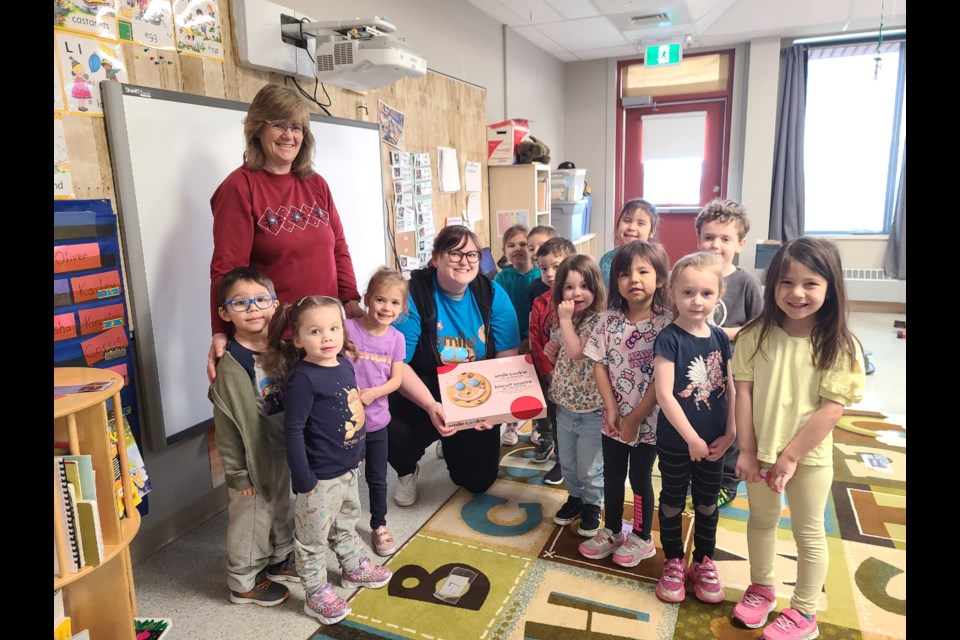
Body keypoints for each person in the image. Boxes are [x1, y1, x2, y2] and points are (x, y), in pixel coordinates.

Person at [730, 237, 865, 640]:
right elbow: (745, 392)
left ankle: (804, 611)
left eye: (811, 283)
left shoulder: (839, 344)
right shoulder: (755, 335)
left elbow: (831, 408)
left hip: (808, 458)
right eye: (786, 282)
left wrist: (790, 457)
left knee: (809, 533)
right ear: (772, 286)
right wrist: (749, 451)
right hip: (760, 453)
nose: (797, 293)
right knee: (762, 521)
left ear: (830, 287)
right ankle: (762, 587)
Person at [207, 83, 363, 383]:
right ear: (257, 129)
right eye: (278, 125)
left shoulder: (316, 183)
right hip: (276, 342)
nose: (289, 135)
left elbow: (338, 247)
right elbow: (227, 271)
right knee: (285, 428)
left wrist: (350, 300)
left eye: (297, 127)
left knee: (329, 425)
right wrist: (221, 331)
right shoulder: (240, 187)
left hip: (325, 334)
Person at [262, 295, 392, 626]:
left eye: (334, 328)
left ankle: (352, 566)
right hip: (318, 476)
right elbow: (292, 431)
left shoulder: (345, 365)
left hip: (347, 468)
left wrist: (358, 453)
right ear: (298, 337)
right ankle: (316, 591)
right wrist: (302, 476)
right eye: (316, 331)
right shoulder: (303, 378)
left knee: (347, 519)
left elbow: (352, 409)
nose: (327, 337)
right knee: (312, 537)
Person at [388, 226, 521, 507]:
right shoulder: (414, 294)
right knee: (391, 423)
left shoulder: (493, 294)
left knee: (478, 482)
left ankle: (449, 443)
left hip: (475, 388)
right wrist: (430, 406)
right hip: (424, 384)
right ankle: (406, 469)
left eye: (472, 254)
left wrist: (493, 410)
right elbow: (398, 364)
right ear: (436, 258)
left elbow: (507, 360)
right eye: (455, 253)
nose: (465, 261)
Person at [208, 266, 296, 607]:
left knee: (278, 506)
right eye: (241, 303)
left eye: (261, 300)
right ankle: (244, 579)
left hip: (280, 450)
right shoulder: (232, 364)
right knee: (252, 515)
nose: (253, 309)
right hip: (251, 459)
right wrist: (239, 472)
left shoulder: (283, 351)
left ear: (274, 305)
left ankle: (278, 558)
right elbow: (228, 427)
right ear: (224, 313)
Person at [579, 241, 672, 567]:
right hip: (613, 419)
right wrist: (613, 409)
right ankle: (613, 529)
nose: (634, 279)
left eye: (643, 271)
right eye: (624, 273)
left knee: (641, 477)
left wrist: (635, 417)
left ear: (660, 278)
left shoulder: (668, 325)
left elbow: (662, 380)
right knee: (612, 475)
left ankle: (643, 536)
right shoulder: (607, 321)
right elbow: (598, 364)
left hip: (650, 420)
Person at [652, 251, 735, 605]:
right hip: (676, 442)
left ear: (719, 296)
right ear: (673, 293)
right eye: (687, 293)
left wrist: (731, 434)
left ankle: (703, 561)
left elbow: (730, 389)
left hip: (715, 443)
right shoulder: (669, 338)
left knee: (707, 504)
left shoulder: (719, 338)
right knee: (671, 501)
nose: (696, 301)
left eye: (705, 293)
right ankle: (673, 560)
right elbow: (665, 395)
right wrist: (691, 439)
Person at [695, 199, 764, 507]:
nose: (716, 245)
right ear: (698, 239)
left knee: (731, 423)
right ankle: (698, 472)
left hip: (734, 369)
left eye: (725, 239)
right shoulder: (693, 276)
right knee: (700, 419)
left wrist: (722, 333)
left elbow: (759, 326)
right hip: (697, 367)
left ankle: (727, 479)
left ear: (740, 243)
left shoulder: (747, 282)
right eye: (709, 237)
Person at [345, 268, 407, 557]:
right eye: (380, 300)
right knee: (345, 476)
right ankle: (343, 527)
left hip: (377, 422)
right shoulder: (348, 328)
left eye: (395, 303)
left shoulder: (396, 339)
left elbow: (396, 380)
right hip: (345, 422)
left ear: (402, 307)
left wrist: (372, 393)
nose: (387, 307)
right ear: (367, 299)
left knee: (377, 476)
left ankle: (379, 524)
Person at [547, 254, 607, 538]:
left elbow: (576, 350)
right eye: (569, 287)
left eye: (583, 285)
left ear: (595, 288)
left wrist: (564, 320)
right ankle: (574, 497)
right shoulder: (563, 320)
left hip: (592, 410)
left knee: (590, 466)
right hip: (564, 406)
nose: (576, 293)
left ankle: (593, 504)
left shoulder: (599, 322)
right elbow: (558, 345)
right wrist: (550, 346)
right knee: (568, 461)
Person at [528, 237, 575, 484]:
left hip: (580, 378)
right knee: (557, 420)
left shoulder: (582, 300)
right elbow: (536, 340)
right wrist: (548, 373)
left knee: (582, 424)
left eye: (556, 266)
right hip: (551, 377)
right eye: (544, 268)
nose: (549, 273)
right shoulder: (540, 302)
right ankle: (562, 462)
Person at [494, 224, 541, 445]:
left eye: (523, 244)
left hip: (534, 337)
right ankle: (511, 425)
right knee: (513, 383)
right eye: (511, 245)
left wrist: (528, 337)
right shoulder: (502, 278)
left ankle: (538, 426)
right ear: (504, 251)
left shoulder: (540, 275)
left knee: (537, 383)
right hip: (509, 339)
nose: (518, 249)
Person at [599, 199, 659, 290]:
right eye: (627, 221)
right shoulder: (607, 260)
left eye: (640, 223)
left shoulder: (654, 260)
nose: (631, 227)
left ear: (652, 231)